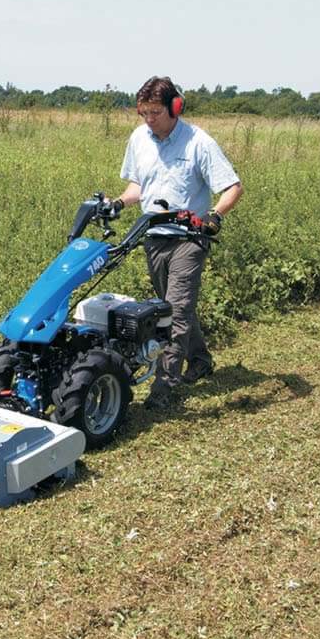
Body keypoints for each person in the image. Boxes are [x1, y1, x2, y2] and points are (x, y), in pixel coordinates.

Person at [108, 76, 243, 409]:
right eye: (143, 113)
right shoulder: (139, 139)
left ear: (175, 107)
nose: (149, 120)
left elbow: (233, 187)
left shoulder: (199, 142)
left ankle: (164, 388)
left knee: (175, 312)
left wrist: (215, 215)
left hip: (189, 239)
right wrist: (118, 202)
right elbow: (138, 187)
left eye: (155, 112)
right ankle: (200, 360)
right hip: (153, 237)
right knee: (173, 306)